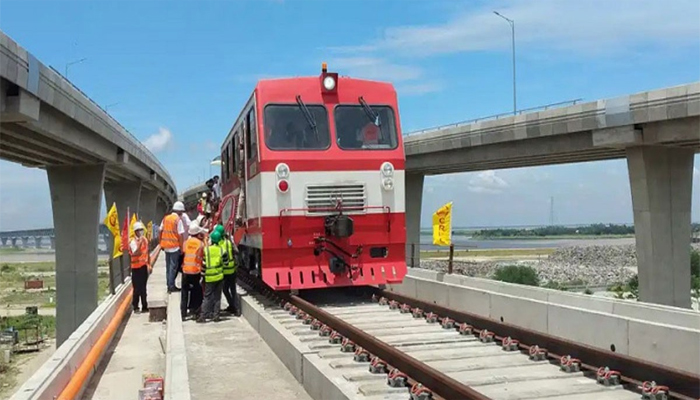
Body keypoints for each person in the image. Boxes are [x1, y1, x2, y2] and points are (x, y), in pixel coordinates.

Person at [198, 231, 226, 323]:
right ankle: (216, 316)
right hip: (219, 276)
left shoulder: (207, 250)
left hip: (209, 277)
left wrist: (202, 276)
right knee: (217, 297)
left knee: (207, 297)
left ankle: (203, 316)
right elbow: (225, 263)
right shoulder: (222, 250)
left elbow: (204, 264)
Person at [159, 201, 186, 293]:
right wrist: (182, 249)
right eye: (182, 212)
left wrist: (160, 243)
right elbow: (181, 235)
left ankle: (169, 284)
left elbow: (160, 230)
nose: (182, 214)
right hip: (174, 247)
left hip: (166, 246)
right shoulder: (178, 220)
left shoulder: (165, 218)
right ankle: (171, 286)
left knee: (168, 267)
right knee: (173, 268)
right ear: (179, 211)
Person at [181, 223, 205, 320]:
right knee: (196, 291)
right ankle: (195, 310)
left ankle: (183, 313)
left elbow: (182, 254)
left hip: (186, 270)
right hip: (195, 271)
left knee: (184, 292)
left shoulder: (185, 243)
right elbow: (203, 256)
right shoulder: (200, 244)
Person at [215, 224, 239, 316]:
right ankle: (236, 309)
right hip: (232, 269)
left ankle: (231, 305)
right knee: (233, 289)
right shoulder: (228, 242)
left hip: (223, 270)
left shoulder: (218, 243)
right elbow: (236, 251)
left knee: (224, 289)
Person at [129, 221, 151, 313]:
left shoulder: (144, 240)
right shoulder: (133, 241)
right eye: (139, 230)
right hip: (135, 268)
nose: (141, 232)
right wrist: (140, 243)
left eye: (142, 230)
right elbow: (136, 252)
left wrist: (149, 264)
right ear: (135, 231)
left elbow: (147, 253)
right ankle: (135, 306)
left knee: (143, 288)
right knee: (137, 288)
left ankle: (145, 306)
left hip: (143, 267)